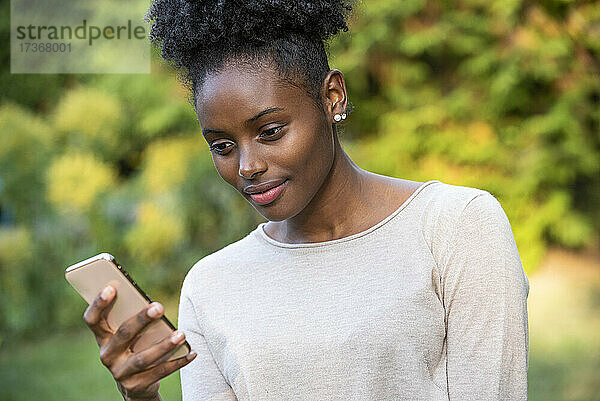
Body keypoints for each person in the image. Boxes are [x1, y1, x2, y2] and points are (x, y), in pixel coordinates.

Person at [83, 0, 530, 400]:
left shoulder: (457, 228)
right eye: (222, 145)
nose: (247, 166)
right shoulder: (211, 285)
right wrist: (141, 399)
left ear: (331, 96)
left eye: (270, 132)